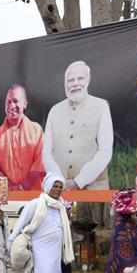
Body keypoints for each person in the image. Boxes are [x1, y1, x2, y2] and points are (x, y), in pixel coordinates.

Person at [9, 173, 74, 273]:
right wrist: (11, 243)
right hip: (39, 255)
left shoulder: (61, 207)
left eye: (60, 187)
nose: (58, 189)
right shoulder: (35, 204)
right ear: (47, 186)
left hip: (55, 257)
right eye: (55, 185)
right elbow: (20, 225)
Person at [42, 61, 113, 190]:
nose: (75, 83)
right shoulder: (55, 110)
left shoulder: (101, 106)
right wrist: (60, 181)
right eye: (70, 80)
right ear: (65, 84)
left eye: (80, 78)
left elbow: (105, 151)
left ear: (88, 80)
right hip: (59, 190)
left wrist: (78, 181)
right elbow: (46, 152)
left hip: (94, 189)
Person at [0, 84, 45, 190]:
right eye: (8, 102)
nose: (12, 106)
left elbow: (40, 163)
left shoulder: (36, 130)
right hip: (6, 196)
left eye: (16, 101)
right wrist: (10, 187)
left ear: (25, 104)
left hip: (34, 197)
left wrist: (22, 187)